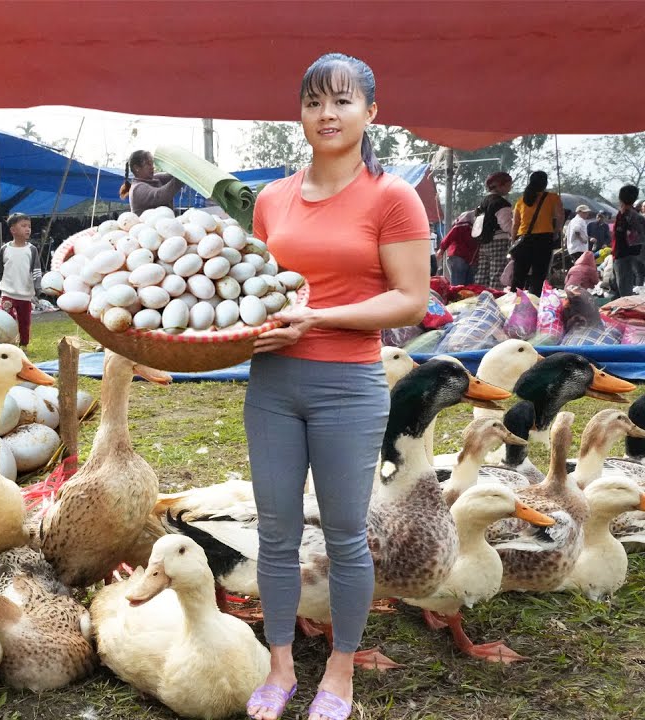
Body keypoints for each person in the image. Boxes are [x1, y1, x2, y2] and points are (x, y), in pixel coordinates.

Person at [244, 53, 429, 720]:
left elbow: (411, 300)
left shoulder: (391, 196)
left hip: (348, 384)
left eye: (343, 101)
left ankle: (342, 671)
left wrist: (319, 317)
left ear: (370, 112)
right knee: (276, 531)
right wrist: (254, 332)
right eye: (315, 101)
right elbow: (258, 294)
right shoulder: (271, 199)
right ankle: (280, 663)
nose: (328, 113)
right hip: (272, 383)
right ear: (300, 112)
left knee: (347, 533)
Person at [508, 171, 563, 296]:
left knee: (519, 276)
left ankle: (514, 304)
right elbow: (560, 217)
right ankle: (534, 305)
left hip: (523, 240)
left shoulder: (521, 201)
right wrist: (555, 232)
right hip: (544, 239)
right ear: (545, 183)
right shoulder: (553, 197)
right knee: (538, 276)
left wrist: (513, 242)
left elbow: (515, 224)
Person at [0, 213, 43, 347]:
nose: (27, 229)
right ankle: (8, 344)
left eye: (29, 226)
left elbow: (36, 270)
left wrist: (37, 287)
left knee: (25, 322)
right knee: (6, 319)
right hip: (8, 293)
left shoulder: (32, 250)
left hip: (25, 295)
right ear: (13, 230)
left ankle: (24, 345)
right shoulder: (5, 249)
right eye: (23, 226)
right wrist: (4, 283)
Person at [472, 172, 513, 288]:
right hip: (499, 241)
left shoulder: (483, 202)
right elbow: (506, 225)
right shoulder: (501, 203)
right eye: (508, 185)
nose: (510, 188)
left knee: (482, 274)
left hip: (484, 241)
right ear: (500, 185)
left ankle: (478, 297)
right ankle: (495, 300)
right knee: (497, 273)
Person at [118, 150, 183, 214]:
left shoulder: (153, 179)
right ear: (136, 168)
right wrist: (180, 178)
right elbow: (160, 196)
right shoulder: (137, 188)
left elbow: (171, 176)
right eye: (148, 164)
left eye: (152, 163)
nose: (152, 167)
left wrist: (181, 169)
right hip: (148, 224)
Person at [612, 185, 645, 298]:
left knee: (625, 291)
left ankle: (626, 312)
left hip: (623, 255)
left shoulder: (626, 215)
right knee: (622, 286)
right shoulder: (634, 215)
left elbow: (622, 237)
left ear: (621, 198)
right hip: (631, 253)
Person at [439, 210, 479, 285]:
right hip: (464, 257)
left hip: (461, 257)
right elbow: (453, 234)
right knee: (464, 287)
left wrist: (442, 248)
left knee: (459, 287)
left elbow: (452, 234)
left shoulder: (464, 222)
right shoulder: (468, 222)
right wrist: (442, 248)